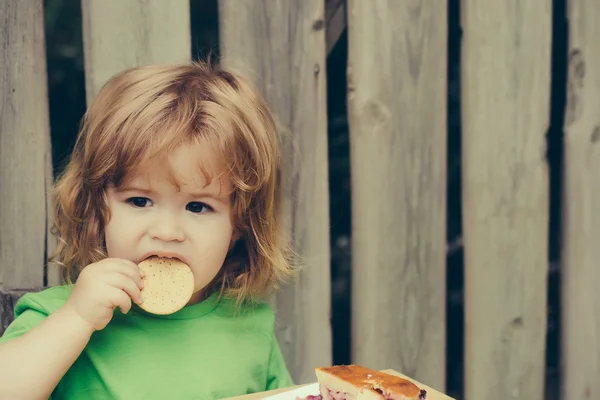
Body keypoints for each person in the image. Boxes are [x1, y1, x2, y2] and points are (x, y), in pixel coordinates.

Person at [0, 61, 297, 399]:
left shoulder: (250, 326)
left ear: (240, 226)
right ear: (97, 207)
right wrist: (77, 318)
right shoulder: (56, 315)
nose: (167, 231)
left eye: (198, 207)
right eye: (140, 201)